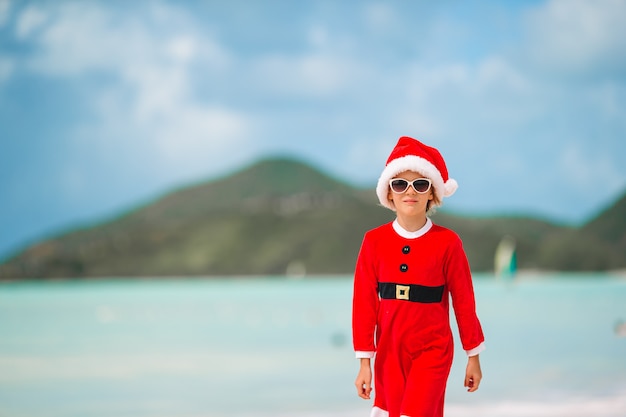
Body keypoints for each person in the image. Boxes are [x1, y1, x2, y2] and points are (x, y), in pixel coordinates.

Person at [352, 136, 485, 417]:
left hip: (434, 350)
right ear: (389, 192)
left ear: (432, 193)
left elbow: (464, 301)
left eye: (420, 184)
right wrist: (365, 361)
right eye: (400, 184)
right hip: (389, 350)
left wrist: (473, 355)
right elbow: (364, 304)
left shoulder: (448, 243)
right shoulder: (372, 241)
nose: (409, 192)